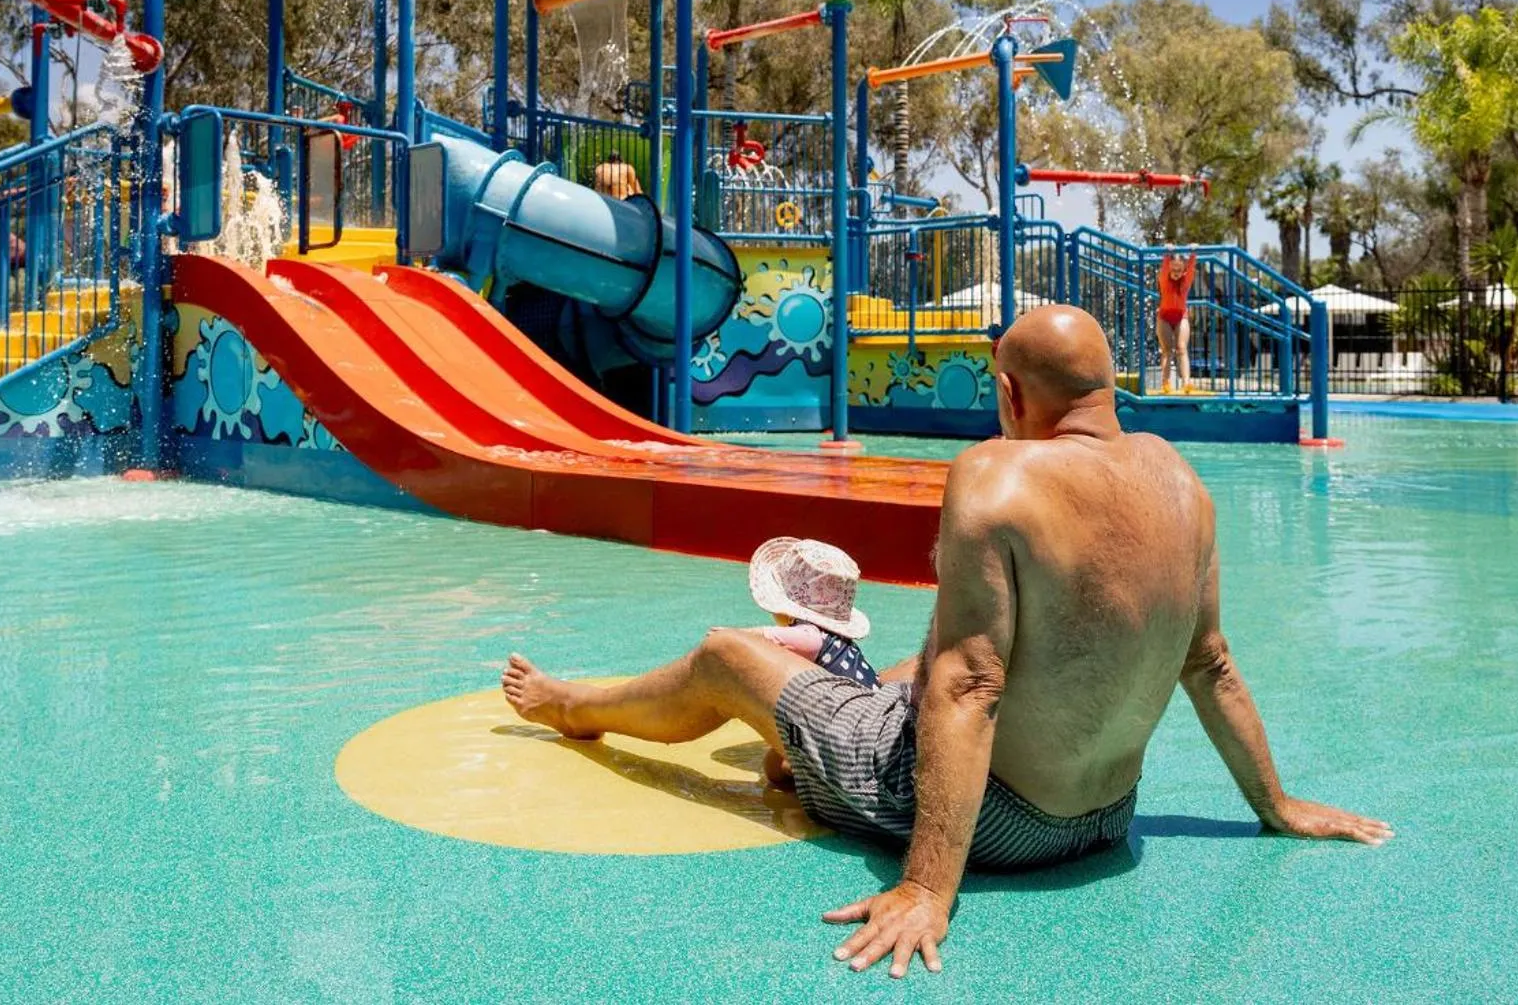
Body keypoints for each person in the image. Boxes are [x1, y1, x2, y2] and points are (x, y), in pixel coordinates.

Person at [501, 305, 1389, 979]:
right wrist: (1277, 804)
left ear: (1009, 395)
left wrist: (928, 887)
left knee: (725, 655)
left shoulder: (996, 475)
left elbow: (971, 687)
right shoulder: (1184, 485)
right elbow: (1210, 661)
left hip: (1000, 827)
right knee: (900, 671)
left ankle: (570, 705)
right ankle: (797, 757)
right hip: (1109, 818)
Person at [747, 537, 880, 790]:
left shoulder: (811, 636)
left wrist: (739, 637)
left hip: (854, 732)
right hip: (865, 725)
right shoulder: (838, 640)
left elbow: (786, 639)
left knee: (774, 768)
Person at [1156, 250, 1196, 393]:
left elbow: (1191, 268)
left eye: (1179, 269)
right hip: (1164, 317)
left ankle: (1186, 383)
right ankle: (1165, 383)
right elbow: (1164, 267)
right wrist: (1167, 253)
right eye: (1174, 268)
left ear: (1183, 269)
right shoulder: (1164, 280)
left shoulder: (1185, 281)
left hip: (1180, 316)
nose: (1176, 271)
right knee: (1167, 350)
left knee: (1181, 348)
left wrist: (1193, 253)